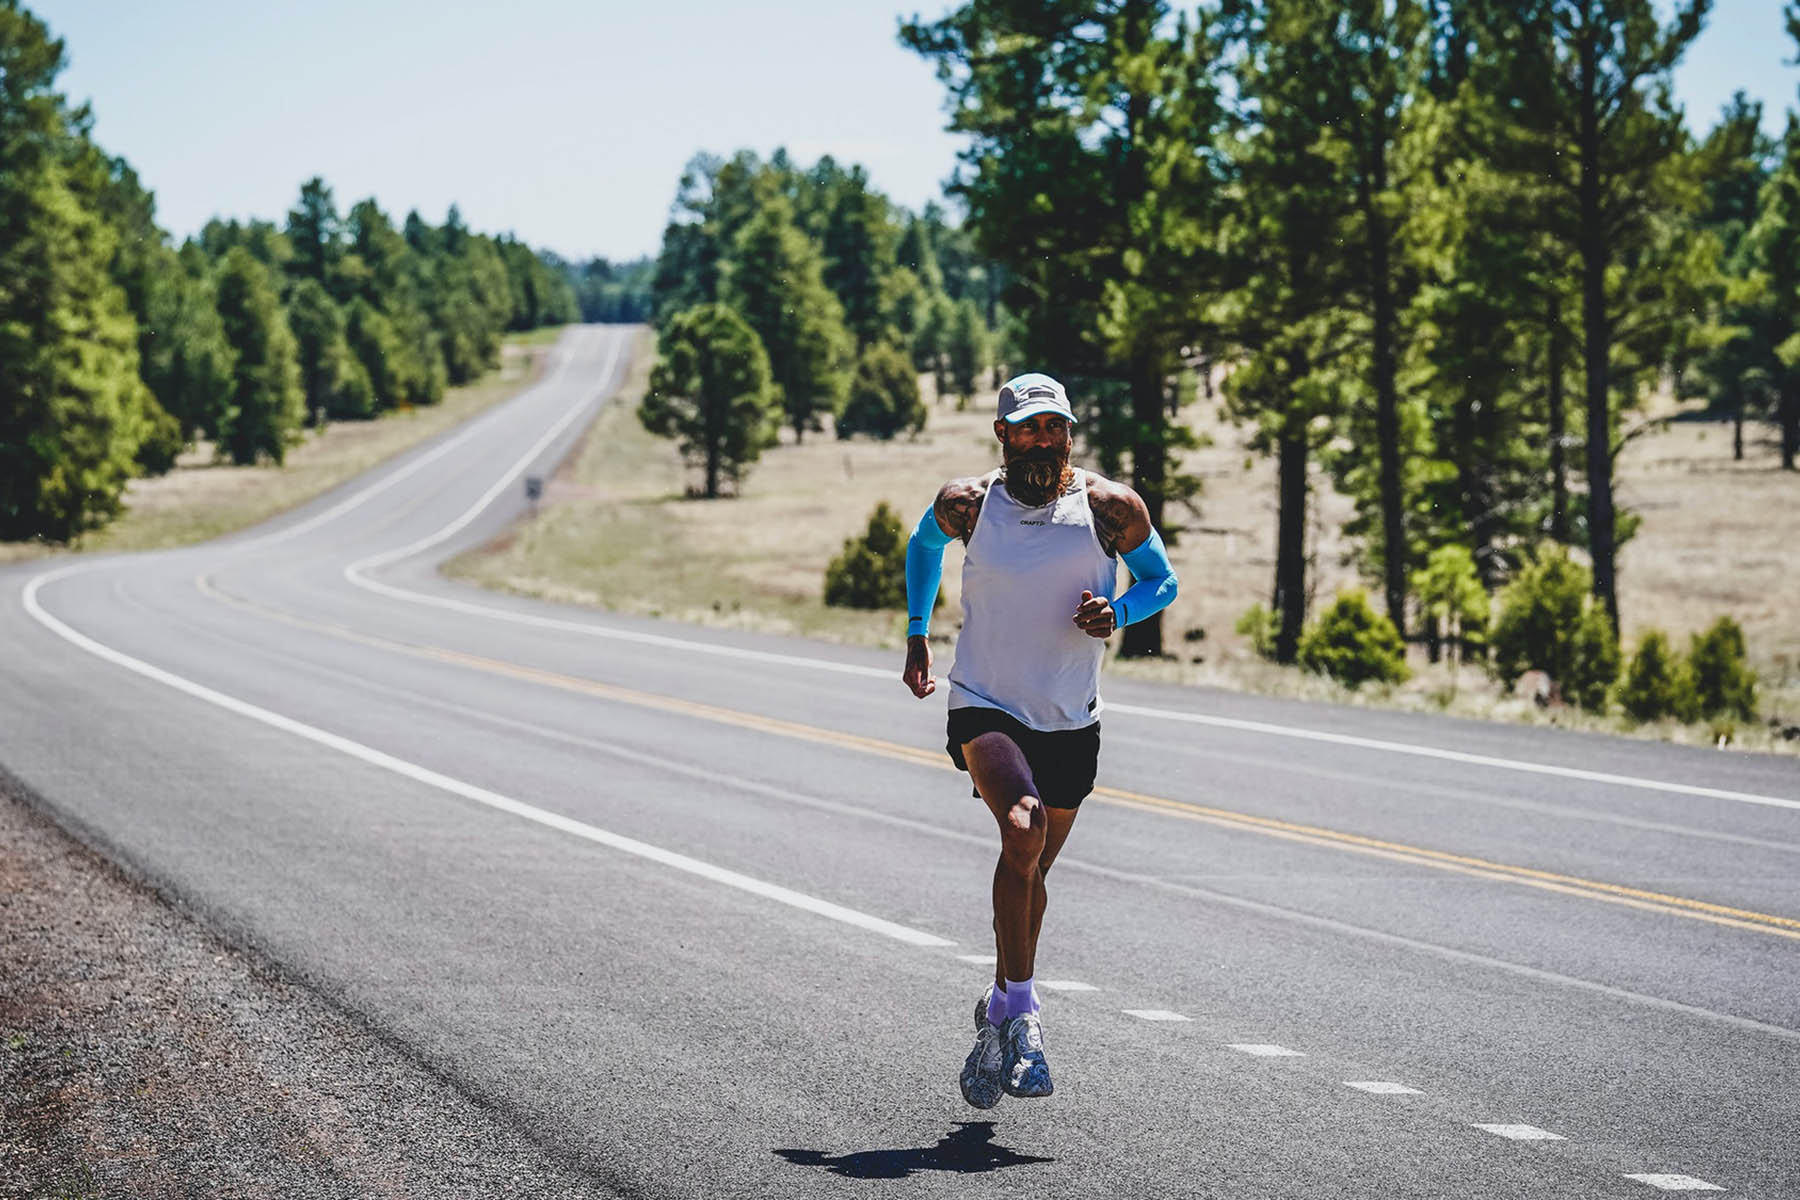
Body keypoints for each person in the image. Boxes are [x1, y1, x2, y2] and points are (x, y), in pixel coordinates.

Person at [901, 372, 1178, 1108]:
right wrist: (917, 632)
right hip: (984, 703)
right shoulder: (969, 504)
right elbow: (921, 548)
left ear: (1069, 432)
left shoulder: (1111, 507)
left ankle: (996, 1008)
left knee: (1032, 871)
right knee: (1020, 830)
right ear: (1002, 435)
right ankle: (1025, 1019)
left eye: (1053, 427)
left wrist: (1119, 610)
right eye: (1027, 427)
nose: (1041, 439)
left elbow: (1163, 582)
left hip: (1069, 717)